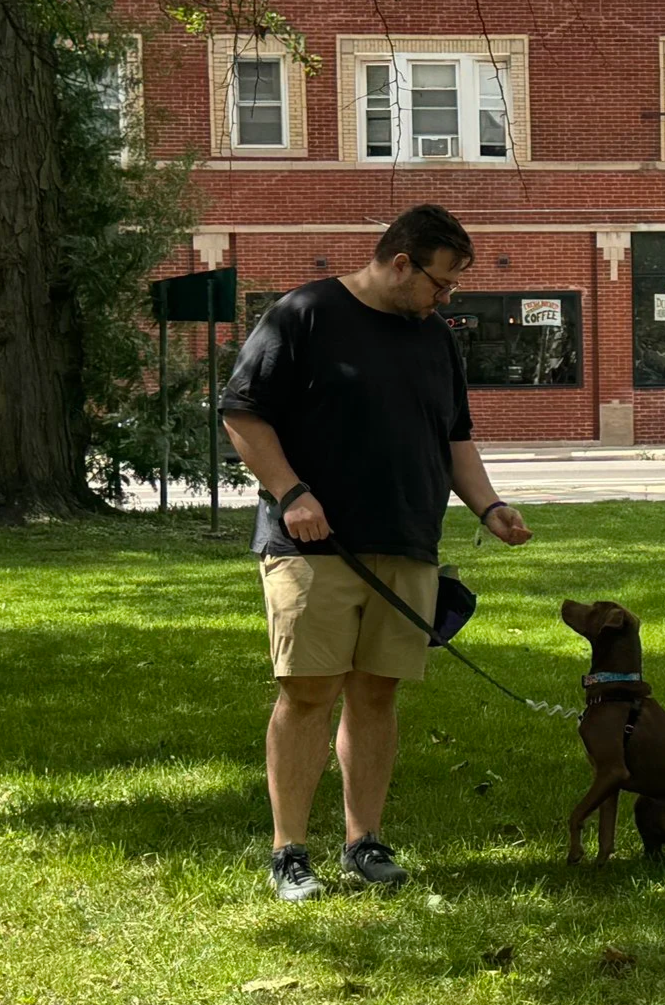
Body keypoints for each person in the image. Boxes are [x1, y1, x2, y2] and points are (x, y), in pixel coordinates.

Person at [221, 204, 532, 901]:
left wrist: (489, 504)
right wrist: (291, 491)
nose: (444, 299)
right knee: (307, 691)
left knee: (377, 692)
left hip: (408, 541)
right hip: (315, 545)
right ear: (400, 263)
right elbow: (242, 412)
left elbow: (454, 437)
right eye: (440, 283)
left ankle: (363, 841)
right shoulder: (303, 314)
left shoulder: (433, 339)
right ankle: (288, 851)